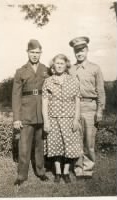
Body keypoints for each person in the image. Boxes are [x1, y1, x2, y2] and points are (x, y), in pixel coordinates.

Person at [12, 39, 49, 186]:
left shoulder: (46, 70)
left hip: (42, 112)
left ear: (41, 53)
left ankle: (41, 172)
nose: (35, 55)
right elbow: (16, 96)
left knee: (40, 145)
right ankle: (22, 175)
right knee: (24, 146)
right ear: (27, 52)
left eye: (37, 52)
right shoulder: (20, 71)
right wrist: (16, 118)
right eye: (32, 52)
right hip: (26, 113)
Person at [42, 54, 83, 183]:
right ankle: (58, 173)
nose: (59, 65)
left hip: (69, 119)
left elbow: (77, 101)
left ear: (66, 65)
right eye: (57, 63)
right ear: (53, 65)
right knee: (56, 147)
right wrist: (46, 121)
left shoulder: (73, 80)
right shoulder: (48, 81)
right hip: (53, 119)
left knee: (69, 147)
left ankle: (66, 172)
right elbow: (44, 102)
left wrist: (76, 119)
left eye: (62, 63)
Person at [69, 36, 105, 178]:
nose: (79, 53)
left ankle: (88, 170)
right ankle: (78, 169)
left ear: (87, 50)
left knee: (89, 140)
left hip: (91, 106)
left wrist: (100, 110)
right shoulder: (70, 69)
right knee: (76, 139)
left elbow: (101, 90)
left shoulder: (95, 68)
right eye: (77, 51)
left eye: (82, 50)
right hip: (75, 107)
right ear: (74, 52)